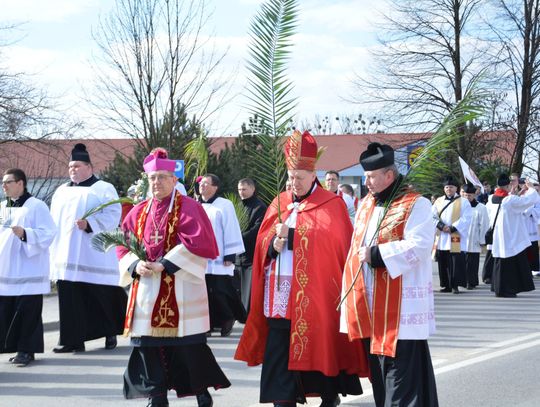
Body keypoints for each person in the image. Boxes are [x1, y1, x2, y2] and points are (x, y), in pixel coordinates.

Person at [235, 130, 368, 407]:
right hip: (280, 294)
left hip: (316, 292)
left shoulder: (331, 204)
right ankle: (283, 398)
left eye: (299, 178)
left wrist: (296, 237)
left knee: (320, 342)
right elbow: (261, 243)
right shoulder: (279, 202)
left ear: (313, 175)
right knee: (280, 346)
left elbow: (336, 243)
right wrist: (273, 243)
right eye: (290, 177)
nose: (293, 183)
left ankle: (329, 393)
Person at [118, 148, 229, 407]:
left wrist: (166, 264)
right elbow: (123, 243)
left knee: (189, 347)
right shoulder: (139, 211)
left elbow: (200, 243)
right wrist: (135, 264)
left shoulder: (189, 207)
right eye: (153, 178)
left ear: (174, 180)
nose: (156, 183)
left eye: (162, 177)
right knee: (148, 345)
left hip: (180, 287)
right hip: (147, 287)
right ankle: (157, 395)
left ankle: (201, 389)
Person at [340, 142, 438, 407]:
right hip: (372, 308)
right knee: (382, 381)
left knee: (402, 382)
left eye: (371, 176)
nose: (366, 181)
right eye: (365, 176)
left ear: (389, 176)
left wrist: (378, 255)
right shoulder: (367, 205)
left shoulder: (416, 204)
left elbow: (419, 245)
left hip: (401, 311)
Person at [49, 143, 127, 353]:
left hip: (93, 253)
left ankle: (110, 333)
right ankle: (72, 340)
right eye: (70, 166)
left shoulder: (103, 188)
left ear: (89, 167)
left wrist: (90, 224)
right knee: (70, 299)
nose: (72, 169)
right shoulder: (61, 191)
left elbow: (113, 214)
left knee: (99, 295)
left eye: (77, 166)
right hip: (66, 254)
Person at [0, 169, 57, 367]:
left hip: (29, 267)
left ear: (21, 183)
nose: (4, 186)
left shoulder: (36, 206)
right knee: (7, 310)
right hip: (6, 269)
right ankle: (15, 347)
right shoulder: (2, 207)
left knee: (27, 311)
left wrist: (26, 233)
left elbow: (49, 232)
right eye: (3, 182)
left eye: (8, 182)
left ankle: (27, 350)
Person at [199, 174, 246, 336]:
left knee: (220, 290)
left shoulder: (224, 205)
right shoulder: (195, 204)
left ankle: (228, 317)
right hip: (200, 258)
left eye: (206, 183)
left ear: (215, 187)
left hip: (220, 257)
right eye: (201, 183)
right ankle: (208, 324)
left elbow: (231, 228)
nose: (202, 186)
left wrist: (230, 255)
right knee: (203, 292)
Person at [487, 174, 540, 297]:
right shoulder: (509, 200)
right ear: (508, 185)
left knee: (500, 262)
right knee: (509, 264)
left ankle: (498, 288)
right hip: (510, 236)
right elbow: (529, 201)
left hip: (498, 235)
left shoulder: (492, 199)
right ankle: (507, 289)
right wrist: (531, 188)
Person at [432, 177, 472, 293]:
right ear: (444, 189)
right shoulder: (438, 201)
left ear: (456, 188)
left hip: (455, 234)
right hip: (442, 236)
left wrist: (453, 227)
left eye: (451, 187)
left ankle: (455, 285)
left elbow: (467, 217)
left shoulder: (463, 201)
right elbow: (432, 216)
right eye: (447, 187)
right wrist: (441, 226)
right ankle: (446, 285)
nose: (449, 189)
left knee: (455, 261)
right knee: (443, 261)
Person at [235, 178, 267, 313]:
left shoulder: (260, 207)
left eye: (244, 189)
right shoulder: (235, 205)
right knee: (237, 285)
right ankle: (238, 312)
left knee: (249, 286)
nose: (241, 192)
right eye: (239, 189)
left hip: (251, 252)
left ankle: (247, 313)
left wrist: (239, 238)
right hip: (237, 253)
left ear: (252, 189)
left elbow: (257, 228)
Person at [461, 182, 490, 289]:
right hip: (461, 238)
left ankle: (471, 281)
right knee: (462, 261)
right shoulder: (459, 207)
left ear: (474, 195)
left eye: (470, 195)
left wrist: (483, 240)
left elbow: (484, 225)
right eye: (465, 195)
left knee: (472, 261)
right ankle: (463, 280)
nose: (467, 197)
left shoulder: (481, 207)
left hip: (474, 238)